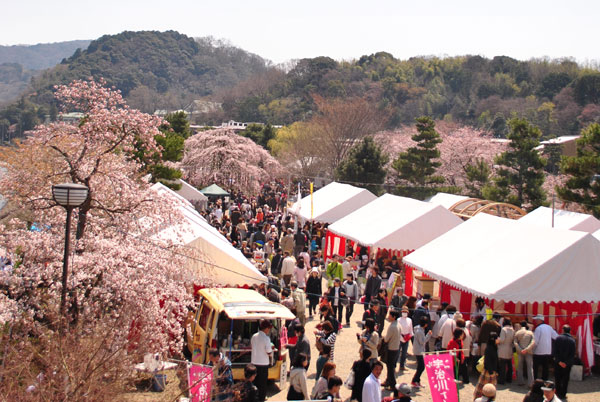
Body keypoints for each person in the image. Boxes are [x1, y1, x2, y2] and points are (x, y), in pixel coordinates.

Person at [251, 319, 273, 401]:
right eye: (269, 328)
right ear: (266, 328)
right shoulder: (266, 339)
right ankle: (261, 399)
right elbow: (269, 352)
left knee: (255, 382)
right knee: (262, 385)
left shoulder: (254, 336)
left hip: (254, 363)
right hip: (263, 364)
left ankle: (254, 398)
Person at [553, 325, 576, 400]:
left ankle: (558, 392)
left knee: (557, 378)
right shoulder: (572, 340)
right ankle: (563, 393)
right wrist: (566, 363)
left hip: (558, 362)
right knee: (565, 379)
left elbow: (555, 351)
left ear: (563, 330)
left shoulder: (558, 338)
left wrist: (559, 361)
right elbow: (572, 354)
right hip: (567, 364)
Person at [474, 332, 499, 400]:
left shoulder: (493, 347)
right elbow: (487, 361)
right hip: (489, 371)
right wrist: (491, 372)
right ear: (494, 339)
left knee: (488, 388)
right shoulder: (489, 348)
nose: (498, 339)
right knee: (485, 388)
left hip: (491, 371)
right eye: (497, 338)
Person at [533, 314, 558, 381]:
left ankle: (535, 379)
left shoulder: (538, 329)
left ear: (540, 320)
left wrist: (532, 349)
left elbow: (535, 341)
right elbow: (556, 337)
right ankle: (545, 380)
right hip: (547, 351)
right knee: (545, 367)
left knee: (535, 367)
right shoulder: (549, 327)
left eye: (536, 320)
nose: (535, 321)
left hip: (538, 351)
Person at [411, 316, 432, 388]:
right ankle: (415, 380)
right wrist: (428, 335)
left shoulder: (419, 329)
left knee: (421, 366)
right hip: (419, 351)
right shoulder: (419, 331)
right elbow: (422, 341)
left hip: (419, 350)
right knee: (421, 367)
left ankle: (417, 381)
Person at [382, 309, 401, 389]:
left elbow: (386, 339)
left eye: (390, 315)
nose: (388, 317)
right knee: (391, 366)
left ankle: (393, 385)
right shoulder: (398, 324)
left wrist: (383, 338)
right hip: (396, 348)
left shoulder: (392, 326)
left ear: (394, 317)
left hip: (391, 348)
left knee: (390, 368)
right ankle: (388, 381)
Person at [514, 320, 536, 387]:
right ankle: (531, 383)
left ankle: (520, 381)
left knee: (520, 366)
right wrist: (527, 349)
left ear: (520, 325)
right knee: (530, 367)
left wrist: (521, 349)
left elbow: (515, 343)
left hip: (520, 352)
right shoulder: (530, 333)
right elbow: (533, 342)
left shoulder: (517, 333)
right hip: (528, 352)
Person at [497, 317, 515, 385]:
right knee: (509, 365)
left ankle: (501, 380)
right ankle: (509, 379)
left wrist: (498, 339)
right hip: (509, 348)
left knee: (502, 366)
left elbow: (502, 340)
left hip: (503, 349)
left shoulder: (504, 329)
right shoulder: (512, 330)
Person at [397, 306, 413, 371]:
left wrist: (409, 337)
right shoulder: (398, 320)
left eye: (406, 312)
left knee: (404, 354)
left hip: (406, 338)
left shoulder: (409, 320)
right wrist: (401, 337)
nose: (404, 313)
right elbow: (398, 330)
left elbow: (410, 330)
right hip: (400, 338)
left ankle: (402, 366)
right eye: (403, 312)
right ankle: (394, 366)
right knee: (397, 353)